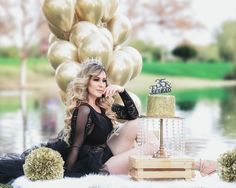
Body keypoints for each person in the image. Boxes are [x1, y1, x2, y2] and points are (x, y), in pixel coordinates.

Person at [0, 60, 216, 184]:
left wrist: (122, 92)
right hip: (95, 163)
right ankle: (198, 165)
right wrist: (68, 176)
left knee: (140, 127)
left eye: (104, 80)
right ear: (86, 81)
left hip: (107, 151)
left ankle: (196, 165)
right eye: (96, 79)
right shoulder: (83, 110)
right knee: (148, 150)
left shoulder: (103, 106)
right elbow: (76, 145)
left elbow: (133, 116)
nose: (102, 84)